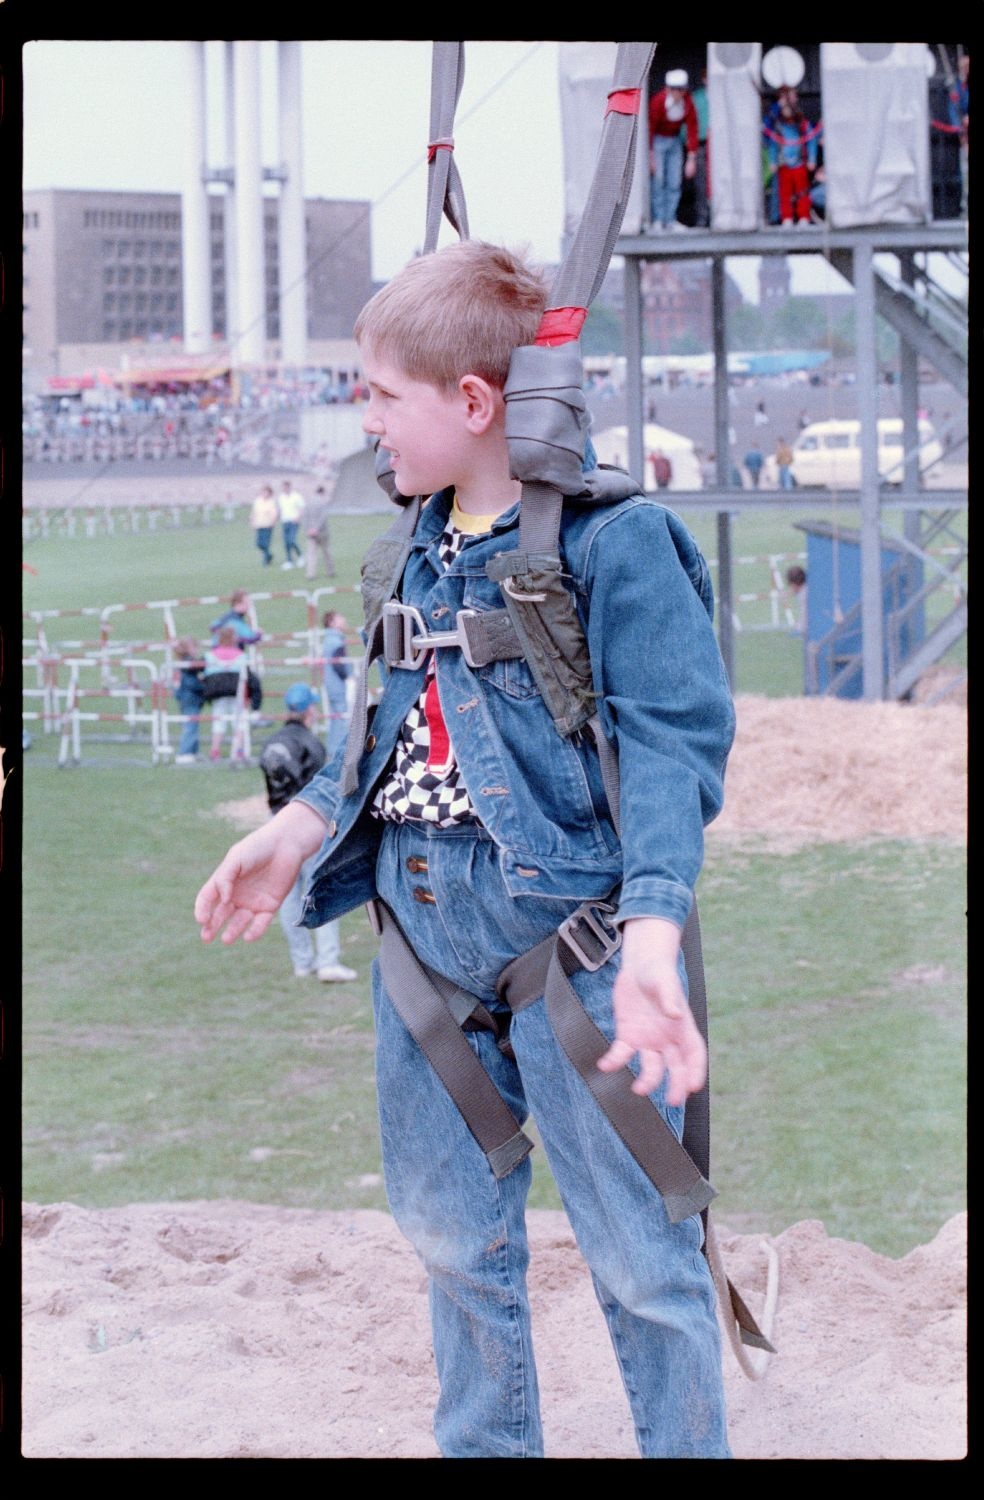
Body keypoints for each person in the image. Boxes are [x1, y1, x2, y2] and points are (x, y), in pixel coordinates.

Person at [195, 239, 735, 1460]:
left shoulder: (613, 543)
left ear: (474, 402)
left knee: (643, 1259)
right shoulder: (409, 546)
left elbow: (671, 741)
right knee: (451, 1243)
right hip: (419, 938)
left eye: (383, 396)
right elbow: (386, 719)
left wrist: (654, 921)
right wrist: (300, 828)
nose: (366, 421)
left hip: (573, 948)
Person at [259, 683, 356, 983]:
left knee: (288, 896)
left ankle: (302, 962)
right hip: (306, 826)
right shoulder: (312, 744)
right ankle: (327, 961)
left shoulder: (270, 743)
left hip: (275, 823)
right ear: (309, 711)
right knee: (319, 892)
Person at [648, 68, 699, 232]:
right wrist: (650, 155)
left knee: (674, 181)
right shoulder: (658, 102)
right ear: (668, 89)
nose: (679, 94)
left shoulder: (687, 102)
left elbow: (692, 128)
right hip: (658, 141)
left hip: (675, 141)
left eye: (682, 90)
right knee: (658, 180)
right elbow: (650, 128)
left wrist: (691, 157)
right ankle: (658, 219)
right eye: (675, 89)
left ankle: (670, 219)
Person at [762, 86, 818, 226]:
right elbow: (774, 145)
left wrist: (812, 159)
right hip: (783, 164)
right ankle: (786, 217)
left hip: (799, 163)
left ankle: (803, 216)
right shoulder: (778, 126)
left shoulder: (803, 125)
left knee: (802, 192)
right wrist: (773, 161)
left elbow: (811, 141)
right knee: (784, 193)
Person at [210, 590, 264, 715]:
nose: (249, 606)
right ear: (238, 603)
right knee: (254, 684)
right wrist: (259, 633)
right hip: (231, 665)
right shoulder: (235, 621)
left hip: (218, 664)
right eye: (247, 602)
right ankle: (256, 715)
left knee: (221, 710)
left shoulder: (226, 618)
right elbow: (251, 638)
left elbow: (213, 627)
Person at [201, 625, 247, 762]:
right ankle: (239, 749)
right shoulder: (242, 656)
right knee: (239, 721)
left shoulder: (210, 655)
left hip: (217, 692)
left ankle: (215, 749)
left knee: (218, 720)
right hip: (236, 691)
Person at [321, 610, 352, 758]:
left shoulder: (328, 640)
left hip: (330, 684)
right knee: (341, 717)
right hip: (338, 685)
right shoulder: (336, 641)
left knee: (334, 718)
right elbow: (338, 664)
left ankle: (332, 748)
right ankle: (339, 750)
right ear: (332, 623)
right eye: (340, 618)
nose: (344, 620)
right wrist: (347, 677)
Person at [172, 637, 205, 764]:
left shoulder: (185, 663)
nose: (197, 650)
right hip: (189, 698)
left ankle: (193, 751)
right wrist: (203, 685)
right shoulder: (187, 665)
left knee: (193, 725)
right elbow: (190, 684)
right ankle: (184, 752)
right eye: (194, 647)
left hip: (188, 698)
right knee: (190, 725)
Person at [304, 482, 337, 581]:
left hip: (310, 533)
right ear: (322, 492)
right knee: (326, 552)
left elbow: (305, 517)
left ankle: (311, 574)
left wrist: (308, 529)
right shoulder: (322, 502)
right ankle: (330, 571)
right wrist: (316, 529)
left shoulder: (308, 502)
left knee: (311, 554)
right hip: (322, 533)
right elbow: (323, 517)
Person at [278, 478, 305, 568]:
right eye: (283, 487)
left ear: (289, 487)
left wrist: (298, 517)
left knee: (291, 540)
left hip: (294, 521)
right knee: (286, 542)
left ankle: (300, 555)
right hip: (285, 521)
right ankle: (289, 560)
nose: (285, 489)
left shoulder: (296, 496)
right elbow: (280, 509)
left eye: (286, 487)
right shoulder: (281, 497)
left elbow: (302, 508)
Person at [250, 484, 279, 566]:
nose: (265, 494)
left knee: (266, 543)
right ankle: (269, 555)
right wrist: (252, 521)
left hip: (268, 525)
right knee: (259, 544)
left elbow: (274, 514)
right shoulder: (258, 501)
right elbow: (254, 512)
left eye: (266, 492)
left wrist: (273, 522)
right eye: (263, 492)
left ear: (270, 493)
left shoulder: (271, 502)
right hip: (259, 525)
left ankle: (265, 561)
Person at [785, 564, 808, 635]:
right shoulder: (806, 589)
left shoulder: (803, 596)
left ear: (794, 584)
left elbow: (805, 623)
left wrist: (797, 626)